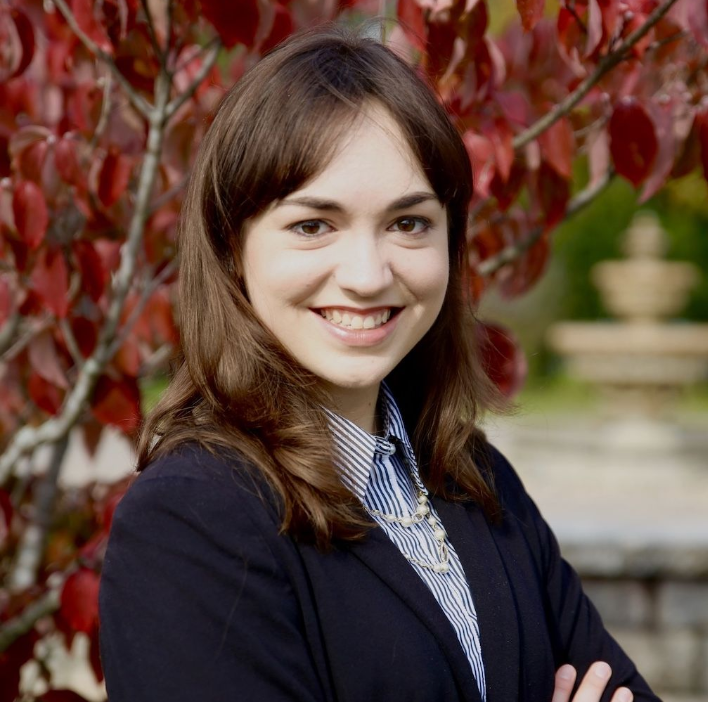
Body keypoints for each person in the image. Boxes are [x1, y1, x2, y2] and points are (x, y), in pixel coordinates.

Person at [98, 23, 660, 702]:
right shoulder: (191, 522)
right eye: (313, 225)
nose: (367, 276)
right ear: (231, 249)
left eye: (407, 223)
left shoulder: (476, 479)